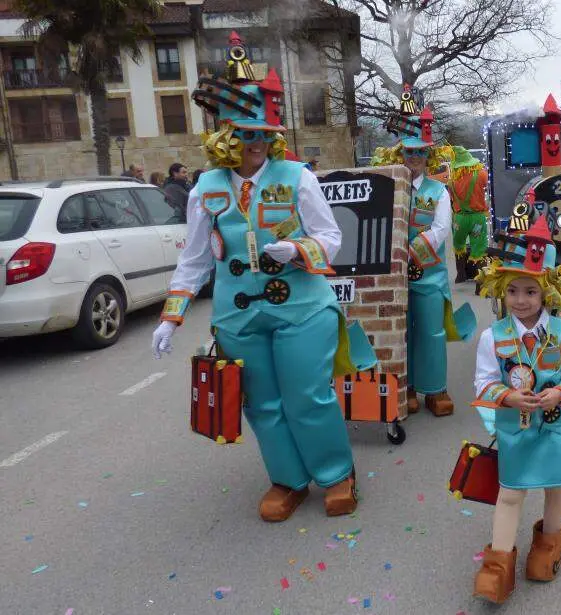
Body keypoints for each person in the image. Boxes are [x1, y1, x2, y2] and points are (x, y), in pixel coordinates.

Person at [150, 32, 369, 522]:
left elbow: (330, 237)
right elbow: (194, 259)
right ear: (225, 136)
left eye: (261, 134)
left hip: (301, 307)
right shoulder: (203, 188)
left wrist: (296, 249)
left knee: (307, 395)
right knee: (263, 405)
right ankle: (288, 480)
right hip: (237, 315)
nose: (254, 144)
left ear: (272, 135)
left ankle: (336, 474)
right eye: (244, 134)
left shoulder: (297, 176)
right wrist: (172, 317)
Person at [471, 215, 561, 604]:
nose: (522, 300)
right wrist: (506, 397)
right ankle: (498, 564)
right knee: (510, 493)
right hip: (516, 430)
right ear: (501, 293)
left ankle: (549, 545)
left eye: (530, 291)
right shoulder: (492, 336)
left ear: (546, 295)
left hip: (557, 427)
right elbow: (483, 383)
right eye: (513, 291)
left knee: (555, 486)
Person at [372, 84, 476, 417]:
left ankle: (435, 388)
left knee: (431, 331)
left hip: (428, 275)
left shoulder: (438, 191)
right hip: (395, 277)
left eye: (419, 152)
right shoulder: (386, 185)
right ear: (399, 152)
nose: (414, 158)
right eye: (408, 151)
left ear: (427, 155)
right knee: (402, 333)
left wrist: (409, 251)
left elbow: (441, 228)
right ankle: (410, 387)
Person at [449, 146, 490, 283]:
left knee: (459, 246)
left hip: (459, 219)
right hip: (477, 219)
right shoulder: (481, 174)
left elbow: (452, 200)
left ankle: (460, 275)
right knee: (479, 247)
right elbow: (489, 187)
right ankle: (480, 283)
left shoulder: (452, 181)